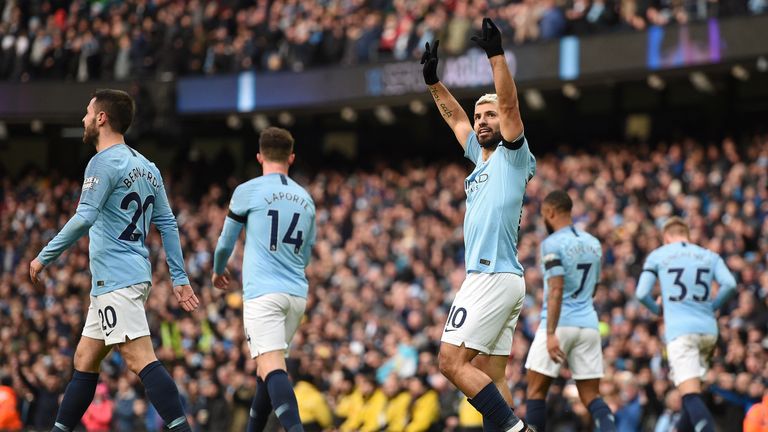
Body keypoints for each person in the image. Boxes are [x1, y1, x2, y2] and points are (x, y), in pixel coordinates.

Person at [29, 89, 199, 432]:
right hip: (122, 277)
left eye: (88, 112)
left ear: (101, 118)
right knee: (84, 359)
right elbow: (166, 223)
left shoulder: (102, 162)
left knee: (140, 359)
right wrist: (179, 278)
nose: (84, 119)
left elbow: (85, 216)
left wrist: (44, 256)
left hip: (117, 280)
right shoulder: (147, 167)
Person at [421, 17, 536, 432]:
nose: (483, 120)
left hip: (488, 276)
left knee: (450, 362)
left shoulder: (512, 155)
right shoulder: (480, 157)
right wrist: (434, 83)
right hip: (505, 278)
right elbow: (454, 119)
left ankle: (517, 430)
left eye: (489, 115)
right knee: (494, 374)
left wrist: (496, 56)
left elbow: (509, 107)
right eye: (479, 115)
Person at [212, 126, 316, 432]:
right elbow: (307, 253)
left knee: (272, 368)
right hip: (296, 296)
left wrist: (218, 269)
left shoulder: (248, 191)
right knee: (265, 372)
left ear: (259, 157)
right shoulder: (306, 199)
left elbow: (225, 243)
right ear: (291, 158)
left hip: (263, 294)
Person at [523, 191, 617, 432]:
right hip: (588, 324)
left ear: (550, 212)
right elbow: (594, 287)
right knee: (592, 397)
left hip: (559, 324)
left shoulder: (551, 244)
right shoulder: (593, 243)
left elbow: (556, 290)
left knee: (535, 391)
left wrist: (552, 333)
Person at [635, 216, 737, 432]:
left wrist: (658, 310)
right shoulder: (708, 255)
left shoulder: (659, 255)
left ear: (666, 237)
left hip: (681, 332)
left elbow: (641, 293)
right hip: (708, 330)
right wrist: (713, 306)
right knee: (693, 393)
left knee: (689, 395)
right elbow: (730, 284)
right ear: (687, 236)